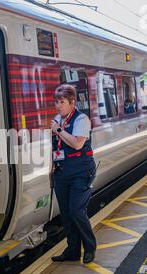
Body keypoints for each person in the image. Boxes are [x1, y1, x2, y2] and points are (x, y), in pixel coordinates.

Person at [50, 84, 97, 264]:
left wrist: (59, 130)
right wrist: (51, 168)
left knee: (77, 210)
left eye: (61, 102)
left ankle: (90, 248)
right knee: (66, 214)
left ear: (72, 102)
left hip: (81, 171)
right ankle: (72, 250)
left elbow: (77, 144)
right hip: (62, 172)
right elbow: (54, 146)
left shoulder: (81, 119)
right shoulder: (57, 119)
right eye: (56, 102)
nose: (58, 106)